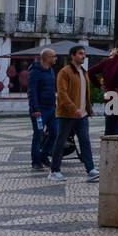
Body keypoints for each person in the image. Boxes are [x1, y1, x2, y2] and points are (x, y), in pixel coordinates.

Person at [48, 46, 99, 182]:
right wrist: (73, 108)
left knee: (85, 141)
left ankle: (90, 169)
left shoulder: (83, 72)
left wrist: (87, 109)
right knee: (61, 141)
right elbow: (62, 94)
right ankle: (54, 170)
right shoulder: (64, 72)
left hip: (82, 115)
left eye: (84, 54)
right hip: (67, 114)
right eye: (80, 54)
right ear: (72, 56)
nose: (84, 56)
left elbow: (85, 94)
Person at [88, 39, 118, 137]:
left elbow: (90, 72)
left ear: (117, 49)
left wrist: (100, 86)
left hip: (109, 95)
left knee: (110, 126)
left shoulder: (107, 61)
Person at [27, 48, 58, 170]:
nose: (56, 58)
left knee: (55, 133)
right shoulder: (35, 72)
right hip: (39, 111)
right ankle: (36, 161)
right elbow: (32, 91)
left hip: (51, 109)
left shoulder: (51, 70)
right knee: (38, 135)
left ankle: (44, 155)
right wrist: (35, 109)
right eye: (54, 56)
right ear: (47, 58)